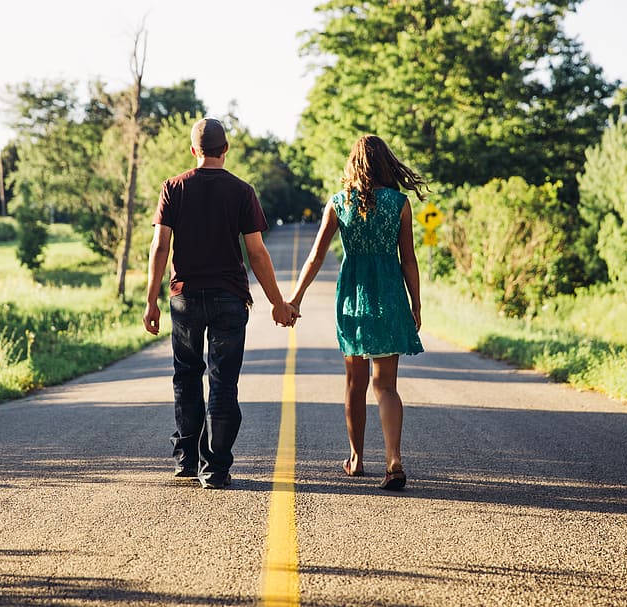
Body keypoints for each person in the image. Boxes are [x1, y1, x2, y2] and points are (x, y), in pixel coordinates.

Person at [143, 117, 297, 490]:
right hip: (229, 299)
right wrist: (278, 303)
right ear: (225, 149)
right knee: (223, 383)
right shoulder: (242, 191)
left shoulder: (173, 187)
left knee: (186, 376)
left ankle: (186, 460)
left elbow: (160, 246)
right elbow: (257, 253)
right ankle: (216, 468)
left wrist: (151, 302)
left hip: (185, 299)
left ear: (193, 150)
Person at [288, 134, 425, 491]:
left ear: (354, 164)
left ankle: (357, 458)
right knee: (387, 386)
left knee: (355, 384)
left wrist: (296, 297)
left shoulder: (339, 203)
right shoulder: (400, 203)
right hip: (391, 294)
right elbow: (408, 258)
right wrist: (416, 302)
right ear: (385, 164)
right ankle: (394, 461)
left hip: (353, 298)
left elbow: (316, 256)